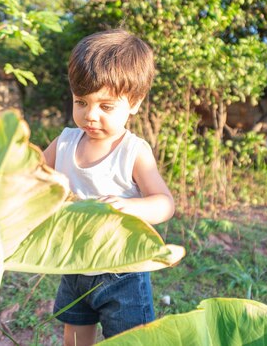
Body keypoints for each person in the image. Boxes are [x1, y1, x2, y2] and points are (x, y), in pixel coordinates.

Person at [43, 29, 175, 346]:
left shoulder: (133, 151)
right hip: (74, 264)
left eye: (106, 106)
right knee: (75, 335)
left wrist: (129, 206)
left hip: (123, 271)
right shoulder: (64, 142)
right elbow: (33, 174)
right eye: (81, 102)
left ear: (134, 103)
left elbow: (164, 202)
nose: (90, 115)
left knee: (128, 340)